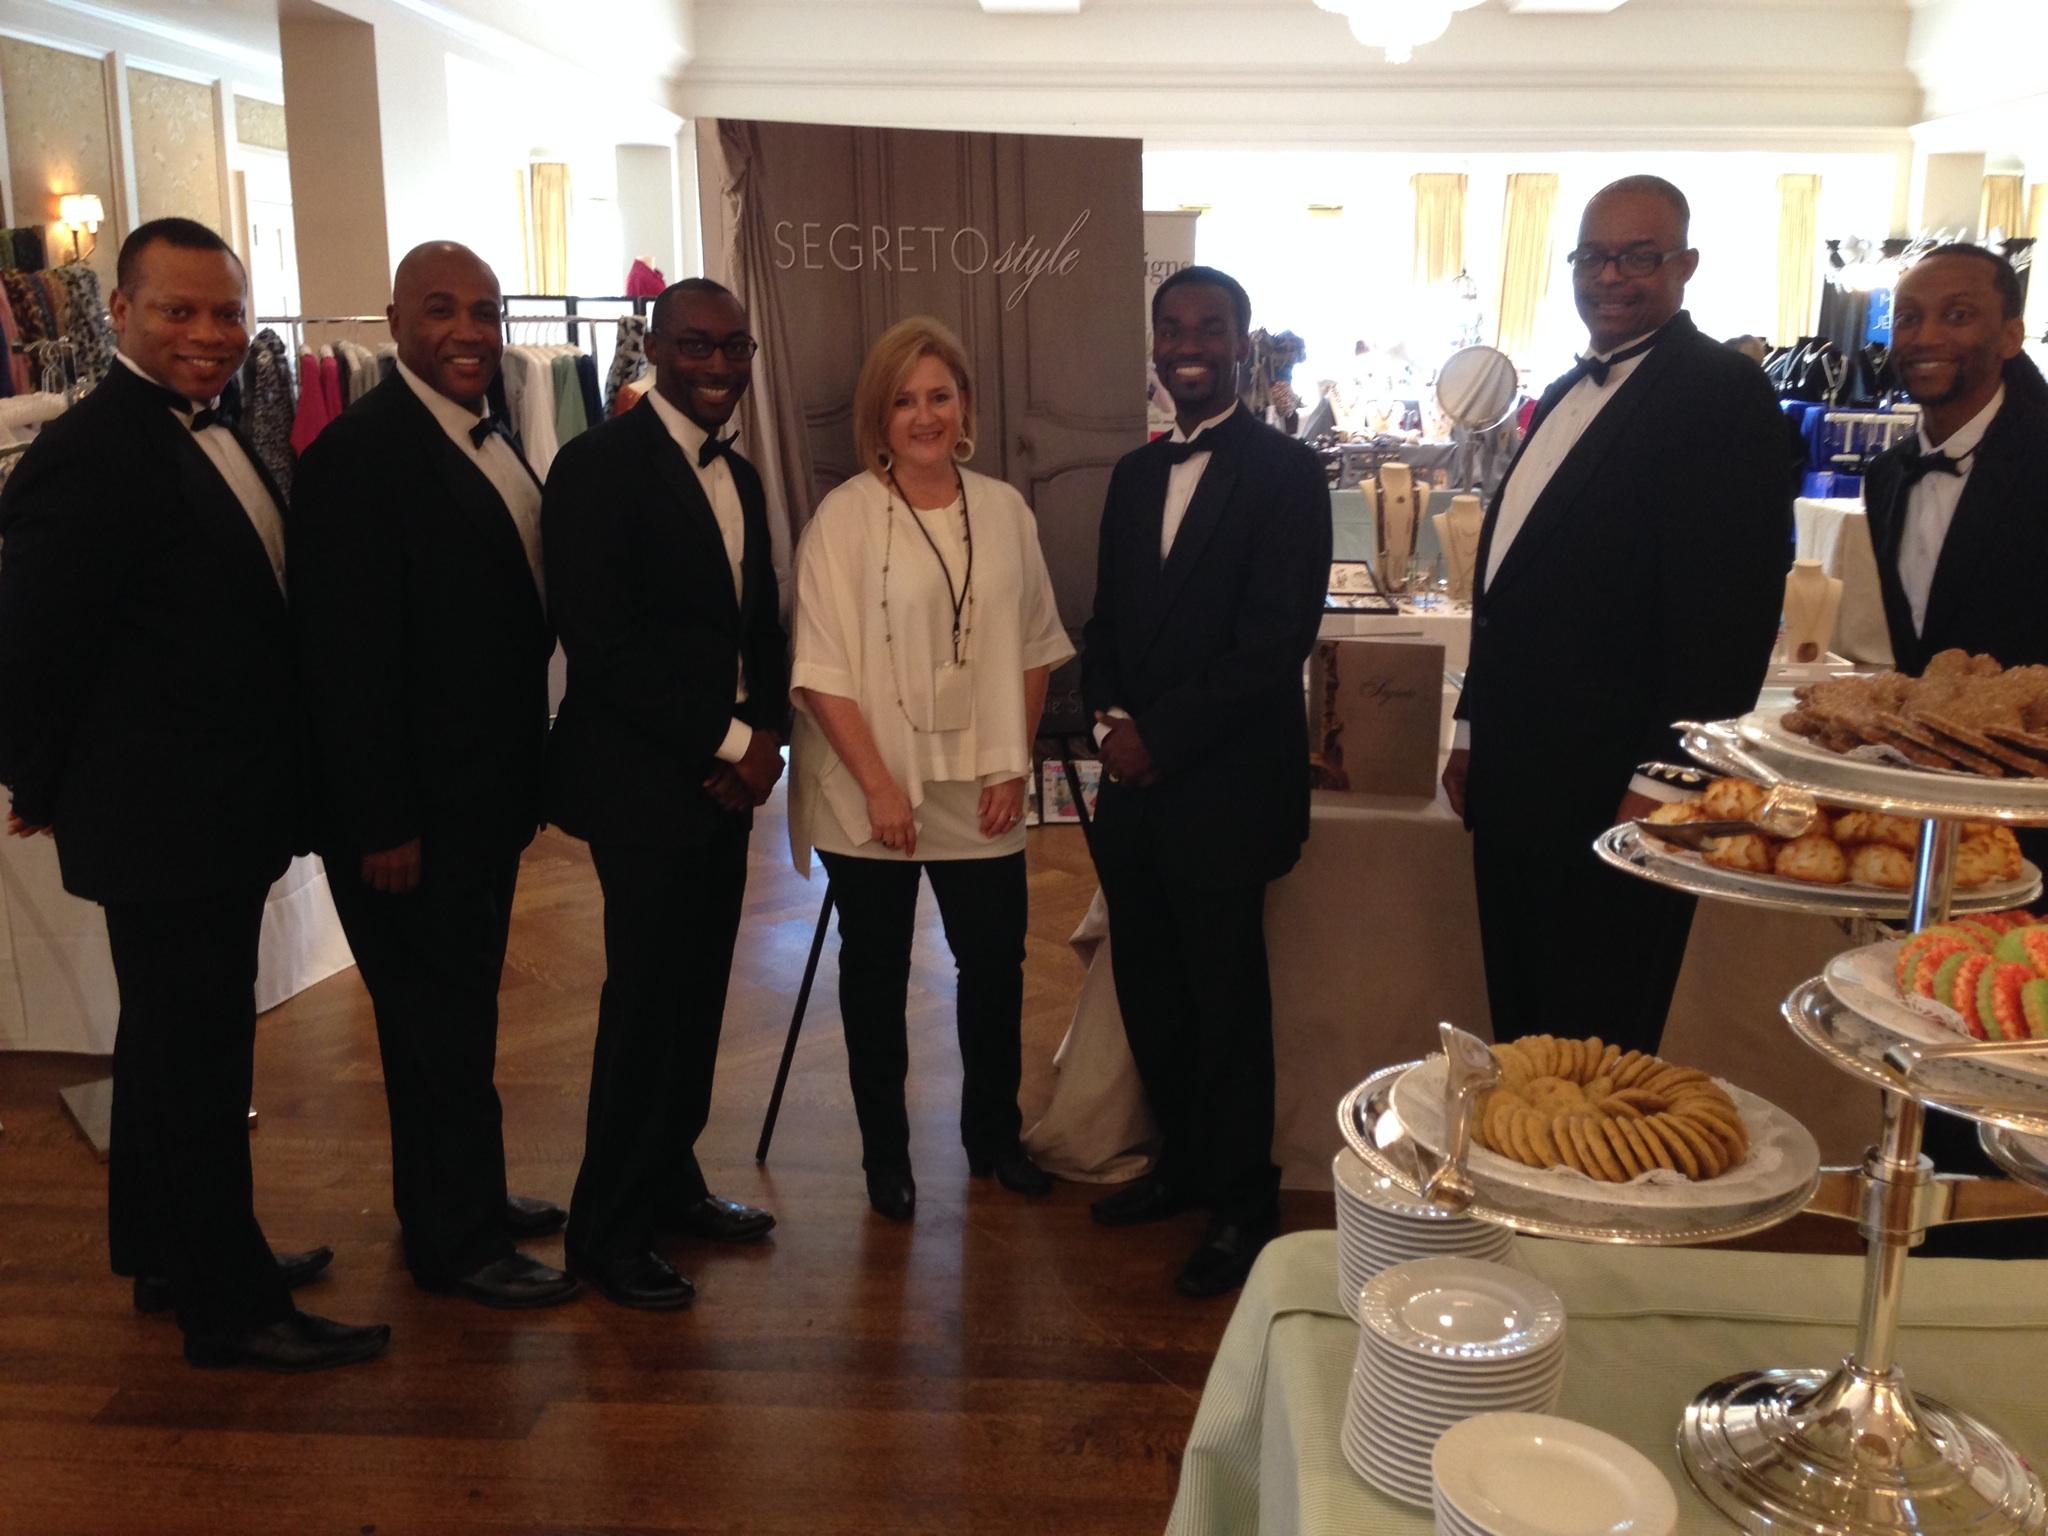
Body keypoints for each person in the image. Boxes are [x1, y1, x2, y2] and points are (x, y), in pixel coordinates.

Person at [0, 217, 388, 1371]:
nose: (209, 333)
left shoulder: (219, 426)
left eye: (226, 311)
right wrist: (40, 778)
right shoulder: (88, 453)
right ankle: (233, 1308)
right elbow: (33, 646)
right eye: (178, 310)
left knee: (168, 1048)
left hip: (208, 804)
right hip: (164, 817)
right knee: (200, 1059)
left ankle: (171, 1254)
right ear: (120, 312)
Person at [1441, 176, 1793, 1055]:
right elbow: (1510, 587)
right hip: (1517, 779)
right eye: (1594, 256)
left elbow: (1729, 620)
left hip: (1618, 790)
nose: (1610, 276)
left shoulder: (1723, 394)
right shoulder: (1566, 388)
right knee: (1525, 1031)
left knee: (1602, 1049)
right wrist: (1473, 729)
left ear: (1686, 264)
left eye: (1638, 256)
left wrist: (1667, 783)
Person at [289, 242, 577, 1310]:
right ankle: (455, 1246)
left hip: (477, 799)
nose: (468, 330)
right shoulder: (359, 455)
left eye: (484, 311)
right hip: (407, 819)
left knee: (457, 1016)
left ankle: (466, 1198)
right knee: (432, 1029)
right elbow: (344, 660)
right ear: (395, 320)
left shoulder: (481, 433)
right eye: (442, 309)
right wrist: (381, 820)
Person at [1080, 265, 1331, 1298]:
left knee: (1226, 1003)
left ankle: (1241, 1201)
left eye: (1209, 328)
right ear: (1154, 343)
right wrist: (1107, 718)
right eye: (1172, 328)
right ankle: (1180, 1163)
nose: (1188, 345)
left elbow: (1274, 643)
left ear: (1241, 342)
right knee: (1150, 989)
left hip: (1225, 787)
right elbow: (1105, 618)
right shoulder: (1134, 474)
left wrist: (1158, 736)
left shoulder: (1286, 474)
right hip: (1132, 786)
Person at [788, 315, 1073, 1224]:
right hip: (871, 787)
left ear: (965, 407)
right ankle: (887, 1157)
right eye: (905, 400)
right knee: (875, 976)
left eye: (940, 396)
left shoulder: (1005, 510)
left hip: (981, 786)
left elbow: (1034, 645)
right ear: (880, 416)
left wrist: (1011, 763)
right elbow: (820, 671)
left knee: (994, 966)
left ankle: (993, 1136)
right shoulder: (842, 520)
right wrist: (879, 786)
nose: (924, 416)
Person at [544, 278, 788, 1308]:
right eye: (695, 344)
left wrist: (766, 736)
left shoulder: (740, 471)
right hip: (640, 781)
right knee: (645, 1005)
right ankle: (604, 1231)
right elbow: (603, 648)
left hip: (723, 780)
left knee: (696, 996)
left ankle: (669, 1178)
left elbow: (755, 625)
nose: (718, 364)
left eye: (735, 347)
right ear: (652, 345)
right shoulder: (595, 467)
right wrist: (736, 741)